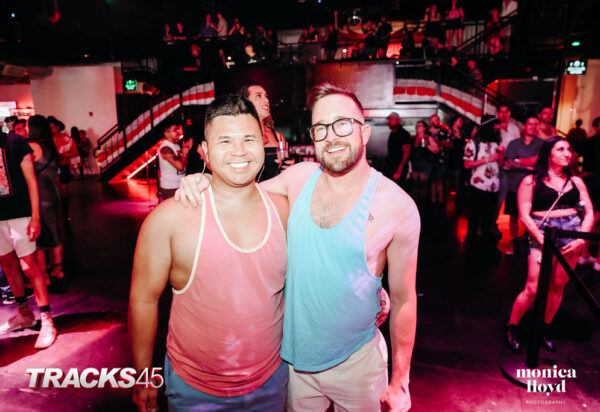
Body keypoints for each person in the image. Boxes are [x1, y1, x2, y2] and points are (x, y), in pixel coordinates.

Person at [177, 83, 419, 411]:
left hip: (359, 365)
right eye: (320, 128)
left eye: (342, 124)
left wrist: (400, 380)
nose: (331, 136)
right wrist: (205, 179)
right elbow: (241, 193)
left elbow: (404, 300)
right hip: (295, 366)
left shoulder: (397, 207)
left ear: (364, 132)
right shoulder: (299, 178)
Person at [130, 95, 290, 411]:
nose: (239, 151)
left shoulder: (285, 211)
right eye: (225, 141)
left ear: (263, 144)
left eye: (249, 139)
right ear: (204, 150)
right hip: (194, 391)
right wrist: (143, 377)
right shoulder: (169, 220)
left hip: (272, 382)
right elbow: (143, 300)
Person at [505, 137, 594, 352]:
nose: (567, 154)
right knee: (533, 287)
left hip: (571, 232)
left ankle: (543, 328)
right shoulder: (531, 181)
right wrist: (540, 238)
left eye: (569, 150)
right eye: (561, 149)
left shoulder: (576, 181)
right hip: (543, 232)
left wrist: (581, 239)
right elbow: (524, 214)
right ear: (548, 153)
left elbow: (589, 212)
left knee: (558, 284)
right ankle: (512, 327)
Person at [0, 129, 57, 349]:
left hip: (20, 215)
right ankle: (25, 314)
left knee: (29, 266)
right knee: (8, 267)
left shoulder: (14, 142)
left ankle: (46, 320)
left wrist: (35, 217)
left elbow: (32, 182)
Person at [26, 115, 66, 291]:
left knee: (40, 238)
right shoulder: (51, 146)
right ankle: (58, 270)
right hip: (54, 193)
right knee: (55, 233)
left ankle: (44, 275)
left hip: (40, 196)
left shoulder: (32, 147)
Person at [463, 115, 504, 252]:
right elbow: (467, 164)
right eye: (495, 125)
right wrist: (486, 159)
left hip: (494, 186)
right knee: (475, 216)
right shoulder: (473, 143)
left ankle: (485, 248)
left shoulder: (496, 143)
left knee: (488, 217)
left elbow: (500, 165)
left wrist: (501, 154)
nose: (497, 127)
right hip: (478, 186)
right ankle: (470, 248)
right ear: (488, 126)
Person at [504, 117, 544, 251]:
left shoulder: (542, 144)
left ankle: (531, 245)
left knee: (533, 218)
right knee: (513, 217)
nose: (533, 126)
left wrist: (519, 161)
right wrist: (529, 166)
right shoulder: (514, 143)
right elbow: (509, 163)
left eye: (535, 124)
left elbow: (539, 162)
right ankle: (514, 243)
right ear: (524, 126)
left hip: (535, 187)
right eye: (530, 124)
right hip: (515, 185)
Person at [239, 83, 288, 181]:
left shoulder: (278, 137)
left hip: (273, 189)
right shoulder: (238, 135)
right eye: (258, 96)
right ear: (246, 103)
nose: (266, 100)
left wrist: (289, 169)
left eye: (266, 96)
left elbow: (285, 166)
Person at [493, 105, 521, 232]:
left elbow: (518, 146)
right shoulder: (494, 127)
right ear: (498, 113)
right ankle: (490, 221)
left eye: (506, 112)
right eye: (501, 112)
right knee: (494, 196)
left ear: (509, 113)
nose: (503, 114)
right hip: (494, 166)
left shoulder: (514, 128)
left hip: (509, 168)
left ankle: (494, 221)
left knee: (503, 196)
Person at [578, 116, 600, 271]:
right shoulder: (590, 142)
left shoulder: (589, 141)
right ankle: (597, 260)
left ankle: (584, 255)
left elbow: (573, 156)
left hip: (591, 183)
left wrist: (579, 174)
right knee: (592, 220)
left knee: (590, 219)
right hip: (594, 184)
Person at [48, 116, 78, 220]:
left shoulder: (67, 138)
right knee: (52, 191)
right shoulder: (47, 140)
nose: (50, 130)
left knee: (63, 189)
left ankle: (65, 213)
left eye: (51, 127)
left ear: (57, 127)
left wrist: (63, 155)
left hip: (63, 166)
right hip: (51, 167)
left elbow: (75, 152)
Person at [410, 120, 440, 204]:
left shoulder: (428, 138)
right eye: (417, 125)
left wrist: (427, 145)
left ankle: (423, 207)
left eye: (420, 125)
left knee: (423, 187)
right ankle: (415, 205)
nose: (417, 127)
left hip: (425, 165)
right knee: (414, 186)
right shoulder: (413, 138)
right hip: (415, 165)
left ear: (424, 128)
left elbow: (437, 149)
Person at [158, 122, 188, 200]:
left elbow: (185, 165)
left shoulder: (177, 146)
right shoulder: (165, 148)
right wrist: (184, 154)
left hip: (181, 184)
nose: (178, 131)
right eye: (175, 130)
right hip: (170, 187)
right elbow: (180, 167)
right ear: (167, 133)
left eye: (178, 129)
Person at [385, 112, 412, 186]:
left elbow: (406, 154)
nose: (389, 122)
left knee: (400, 188)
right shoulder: (392, 133)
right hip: (392, 167)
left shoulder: (404, 134)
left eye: (392, 120)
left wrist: (399, 171)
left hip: (400, 168)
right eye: (389, 120)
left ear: (398, 120)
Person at [429, 114, 450, 206]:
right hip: (429, 161)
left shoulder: (443, 132)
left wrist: (437, 142)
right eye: (435, 120)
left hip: (441, 160)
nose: (437, 121)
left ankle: (440, 204)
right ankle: (433, 204)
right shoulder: (427, 132)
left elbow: (450, 144)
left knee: (440, 182)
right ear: (431, 121)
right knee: (432, 182)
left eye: (438, 119)